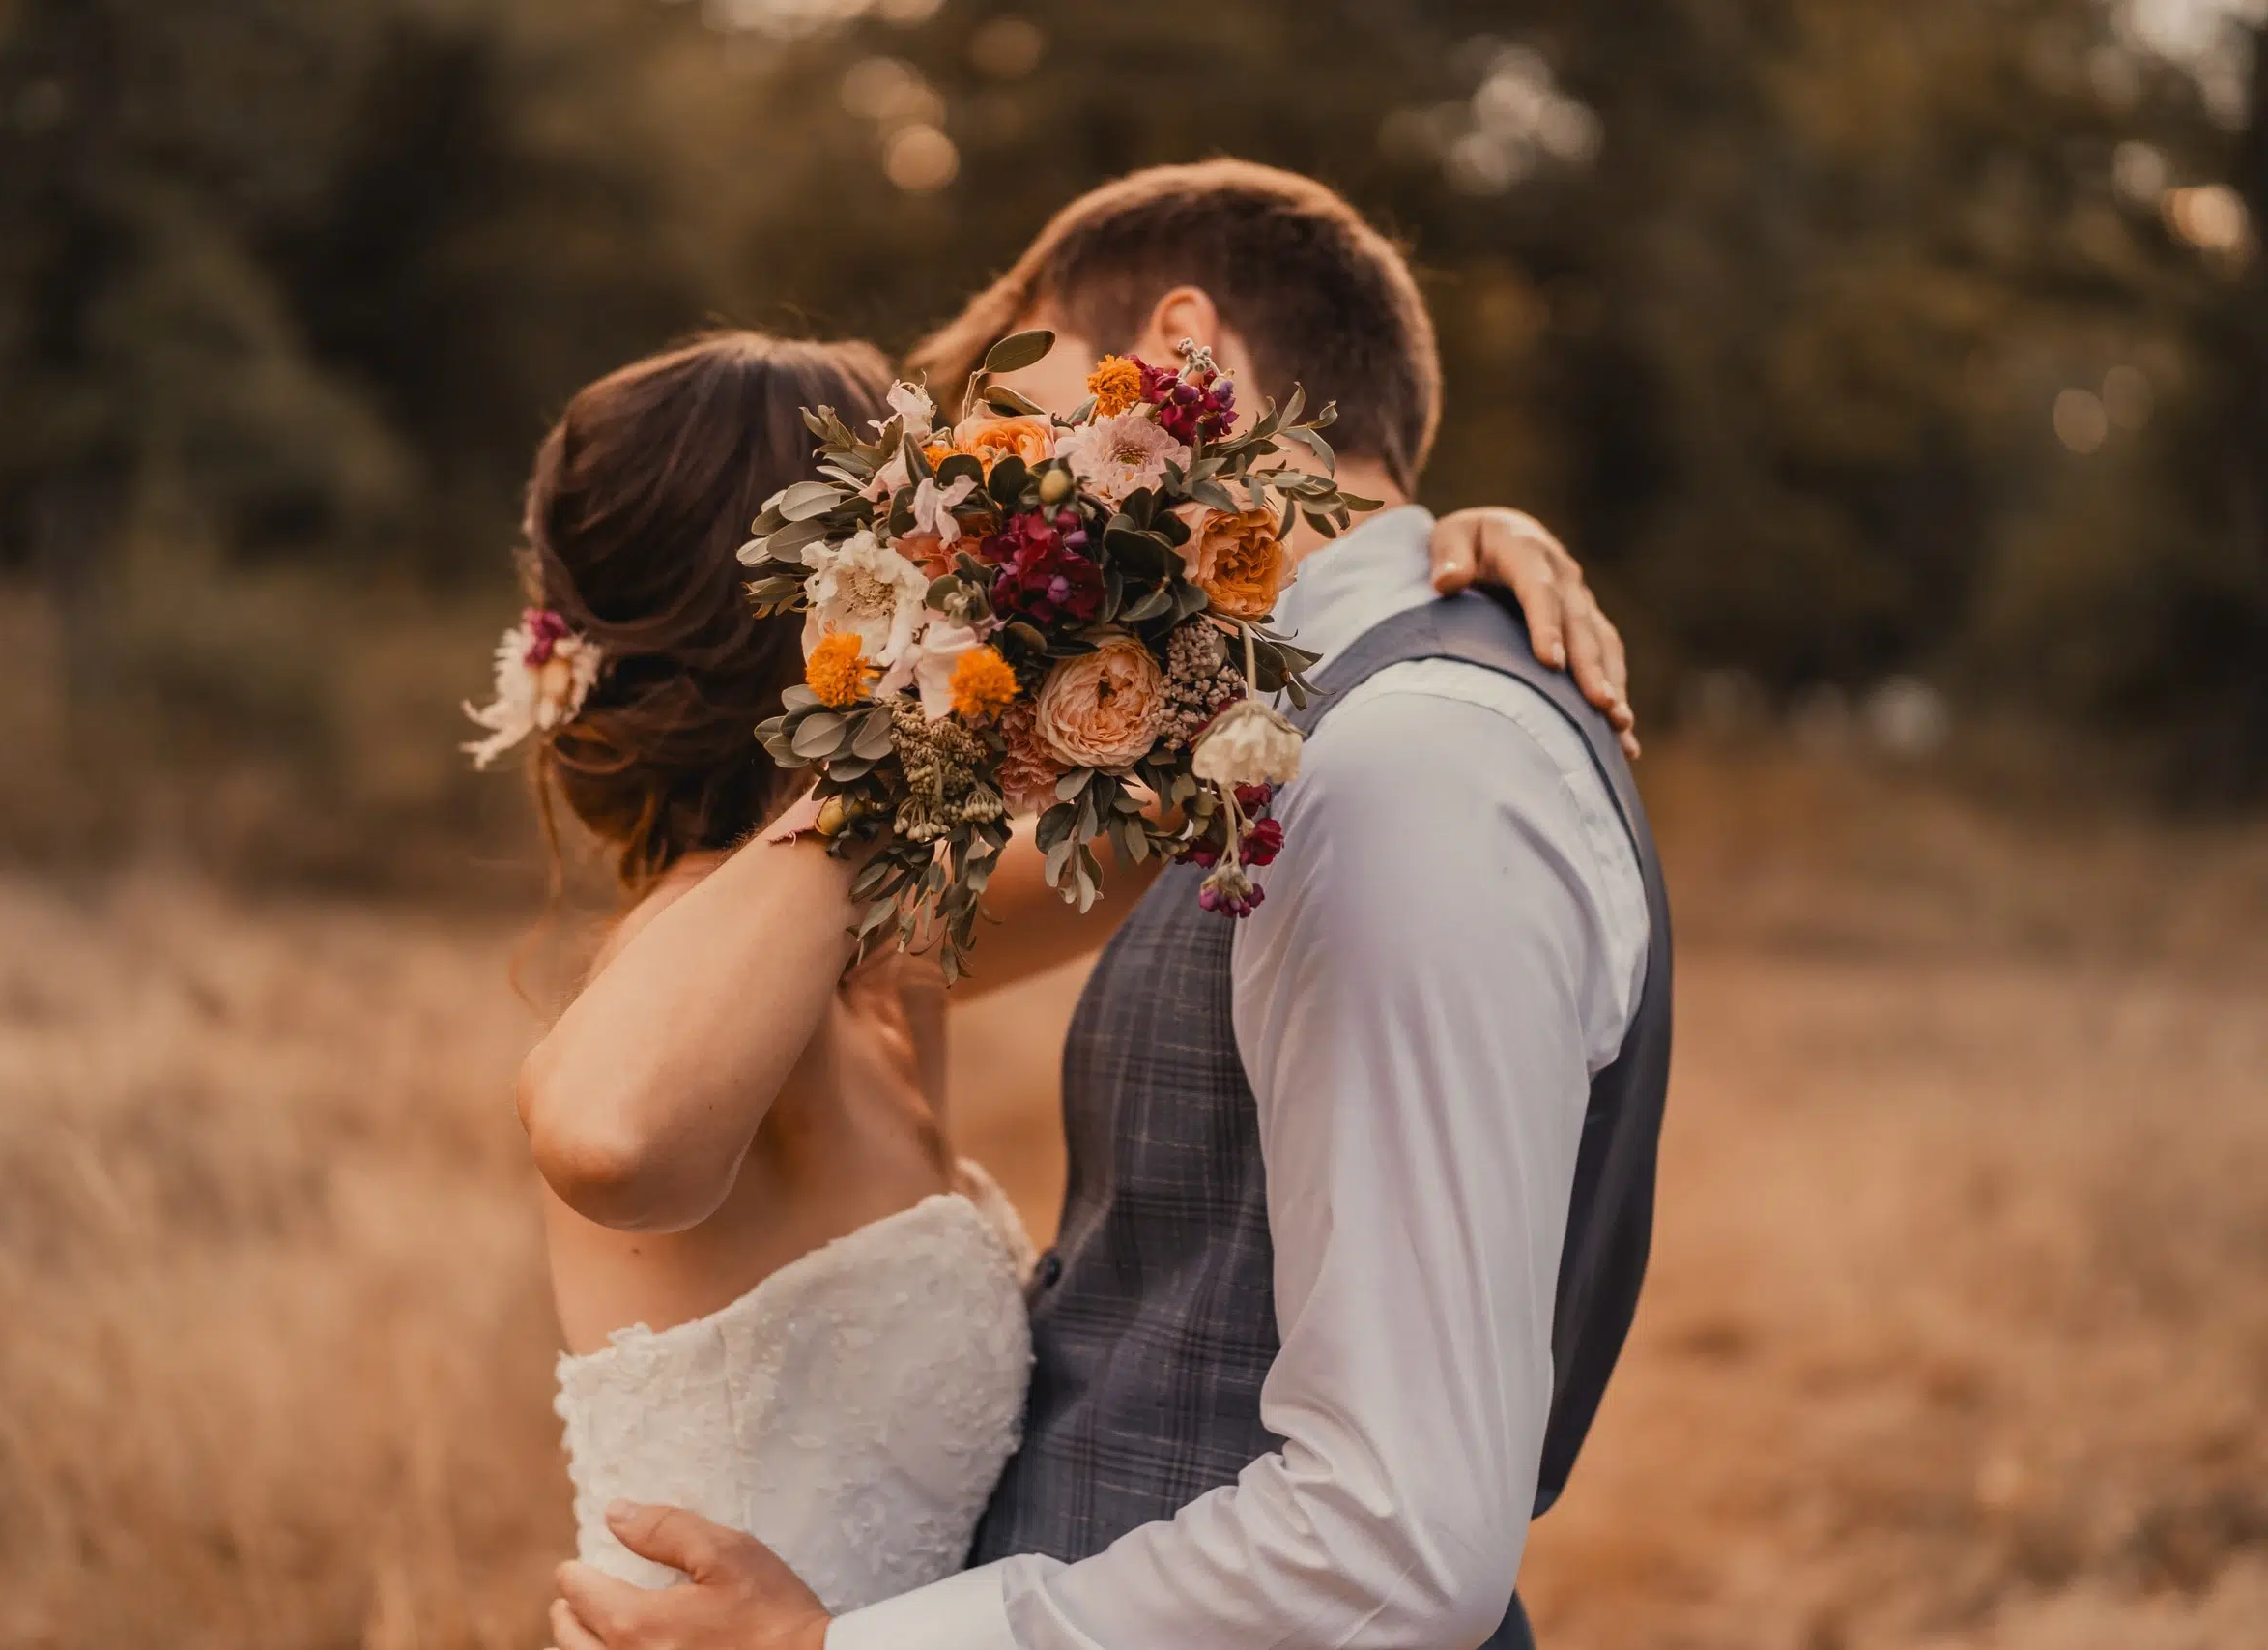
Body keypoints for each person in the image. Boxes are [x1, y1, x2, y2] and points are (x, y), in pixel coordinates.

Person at [545, 162, 1670, 1650]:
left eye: (1022, 406)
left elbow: (1401, 1537)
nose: (1008, 471)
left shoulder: (1414, 757)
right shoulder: (829, 934)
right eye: (956, 475)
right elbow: (617, 1133)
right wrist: (929, 682)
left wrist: (1439, 556)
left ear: (1181, 357)